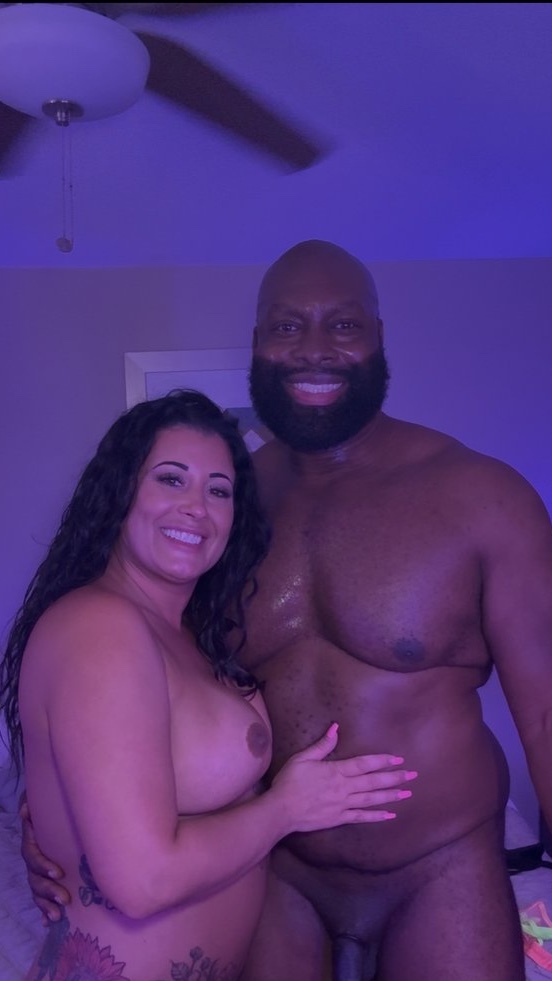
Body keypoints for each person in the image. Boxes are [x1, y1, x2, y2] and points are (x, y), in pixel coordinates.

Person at [16, 239, 552, 980]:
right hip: (276, 873)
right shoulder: (226, 511)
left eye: (344, 324)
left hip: (439, 864)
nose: (314, 348)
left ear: (378, 337)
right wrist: (53, 816)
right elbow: (134, 689)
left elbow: (546, 714)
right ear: (259, 342)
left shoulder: (484, 498)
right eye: (287, 325)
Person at [0, 387, 418, 981]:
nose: (196, 507)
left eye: (218, 491)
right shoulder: (101, 628)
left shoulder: (187, 635)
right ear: (120, 492)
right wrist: (288, 808)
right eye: (171, 479)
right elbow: (143, 881)